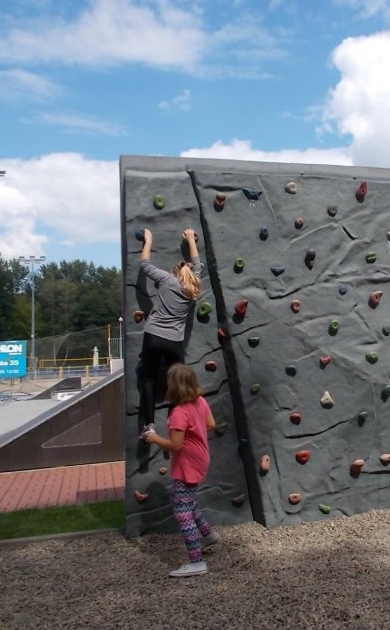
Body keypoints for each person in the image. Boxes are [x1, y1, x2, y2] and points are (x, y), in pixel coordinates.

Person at [143, 363, 220, 577]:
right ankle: (209, 535)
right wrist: (194, 432)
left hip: (188, 463)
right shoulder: (200, 401)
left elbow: (175, 446)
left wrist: (153, 438)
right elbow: (211, 424)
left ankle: (196, 562)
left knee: (182, 512)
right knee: (185, 500)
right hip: (200, 458)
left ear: (174, 386)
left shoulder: (178, 413)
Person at [138, 227, 202, 440]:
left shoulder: (167, 279)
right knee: (179, 383)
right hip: (174, 341)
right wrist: (191, 239)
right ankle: (176, 426)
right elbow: (198, 264)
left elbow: (145, 265)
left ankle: (149, 426)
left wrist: (148, 240)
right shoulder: (193, 288)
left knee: (149, 377)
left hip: (153, 336)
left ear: (176, 271)